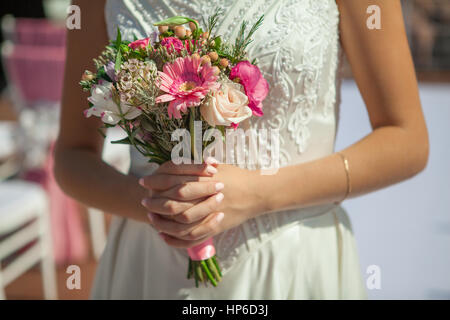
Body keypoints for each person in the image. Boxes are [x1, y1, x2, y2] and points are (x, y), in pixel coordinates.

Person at [54, 0, 429, 299]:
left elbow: (406, 140)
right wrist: (159, 206)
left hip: (294, 263)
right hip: (149, 263)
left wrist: (258, 193)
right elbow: (72, 155)